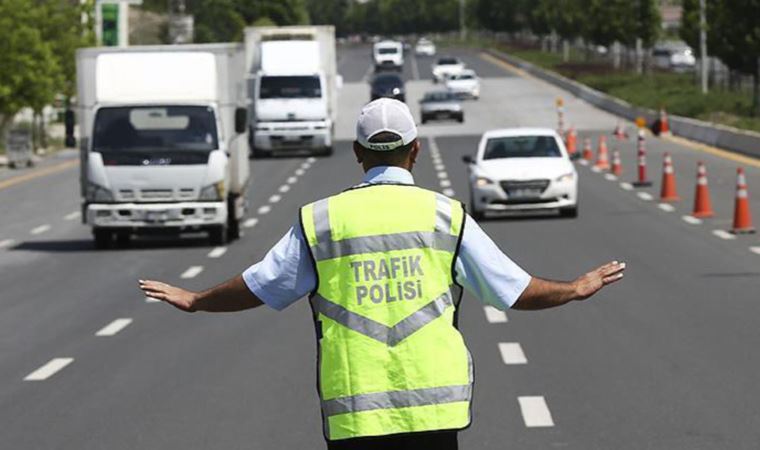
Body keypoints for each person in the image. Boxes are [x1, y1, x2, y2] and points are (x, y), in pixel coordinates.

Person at [139, 98, 626, 450]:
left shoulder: (322, 220)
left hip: (356, 416)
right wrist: (574, 288)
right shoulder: (445, 216)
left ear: (357, 152)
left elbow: (261, 286)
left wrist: (197, 298)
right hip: (434, 411)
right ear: (414, 152)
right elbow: (513, 290)